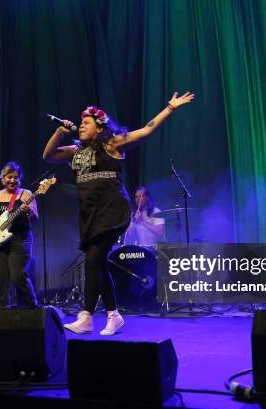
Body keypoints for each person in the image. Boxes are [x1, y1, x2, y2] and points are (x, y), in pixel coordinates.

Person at [43, 91, 195, 335]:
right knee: (99, 264)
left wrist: (170, 107)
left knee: (93, 260)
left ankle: (86, 316)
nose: (81, 126)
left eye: (86, 123)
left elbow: (146, 130)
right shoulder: (76, 150)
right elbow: (48, 155)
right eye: (80, 123)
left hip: (112, 210)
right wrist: (60, 130)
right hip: (89, 214)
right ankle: (114, 315)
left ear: (99, 125)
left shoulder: (112, 143)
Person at [0, 162, 39, 308]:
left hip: (20, 239)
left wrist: (27, 211)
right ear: (2, 178)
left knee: (18, 276)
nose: (12, 180)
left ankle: (32, 310)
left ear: (20, 179)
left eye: (16, 178)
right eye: (9, 177)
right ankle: (1, 316)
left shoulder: (26, 194)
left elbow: (35, 216)